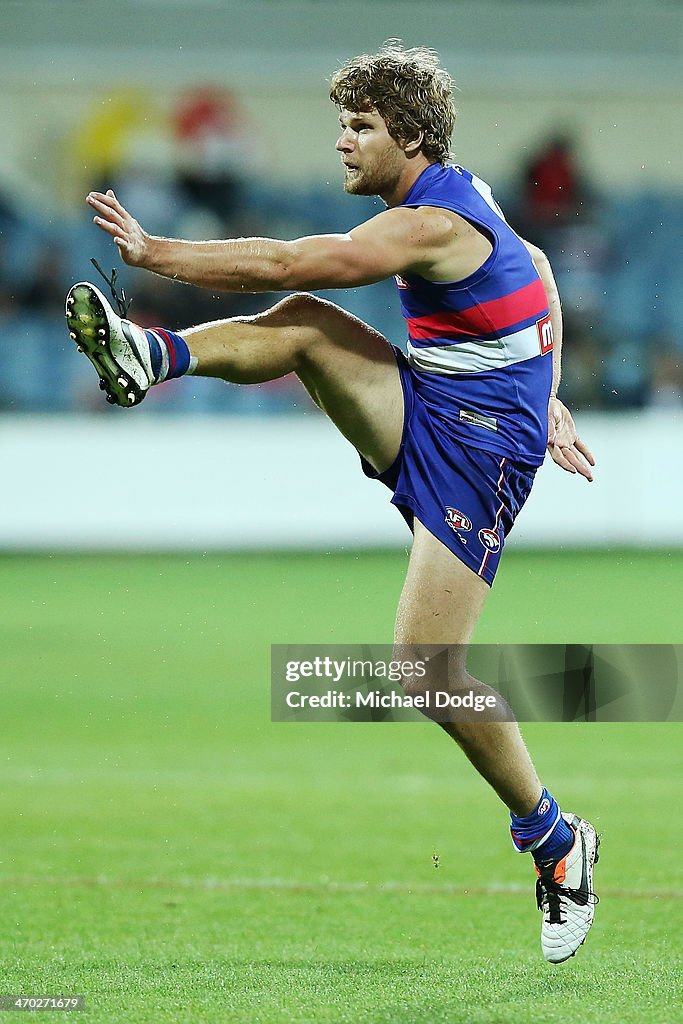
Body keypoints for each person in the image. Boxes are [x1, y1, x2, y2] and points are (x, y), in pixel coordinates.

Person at [65, 42, 598, 964]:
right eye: (341, 125)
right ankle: (152, 357)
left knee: (423, 669)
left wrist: (155, 251)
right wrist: (544, 378)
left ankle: (556, 842)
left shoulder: (427, 224)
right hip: (433, 402)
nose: (343, 143)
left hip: (481, 458)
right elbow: (536, 266)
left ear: (412, 136)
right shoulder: (455, 200)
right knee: (309, 330)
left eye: (360, 127)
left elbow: (288, 257)